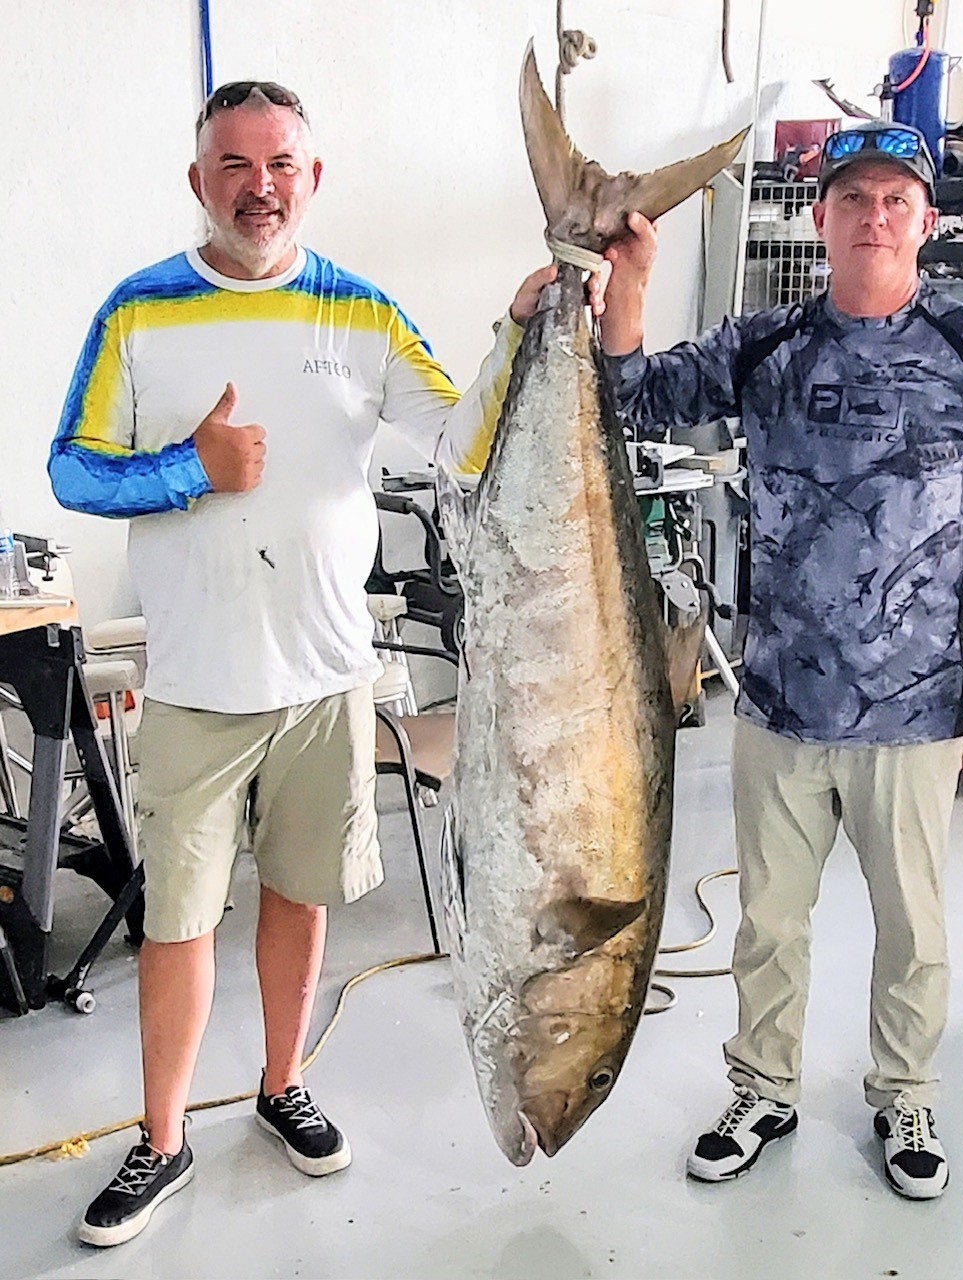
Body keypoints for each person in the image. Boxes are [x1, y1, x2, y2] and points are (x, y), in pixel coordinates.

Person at [50, 80, 554, 1248]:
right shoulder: (138, 311)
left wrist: (522, 326)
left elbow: (462, 436)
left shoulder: (363, 313)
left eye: (280, 163)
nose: (259, 185)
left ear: (312, 179)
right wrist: (190, 465)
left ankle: (281, 1083)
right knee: (175, 921)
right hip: (192, 682)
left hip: (326, 678)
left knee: (302, 895)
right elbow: (73, 471)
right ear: (199, 183)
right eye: (234, 164)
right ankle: (162, 1138)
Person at [593, 120, 963, 1199]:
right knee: (769, 920)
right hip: (780, 700)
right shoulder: (764, 343)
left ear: (924, 222)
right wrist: (630, 284)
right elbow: (631, 397)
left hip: (915, 709)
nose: (872, 217)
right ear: (820, 220)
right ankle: (762, 1085)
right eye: (852, 199)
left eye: (893, 200)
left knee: (913, 926)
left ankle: (904, 1092)